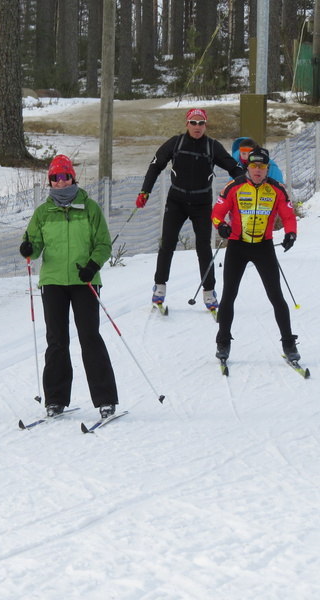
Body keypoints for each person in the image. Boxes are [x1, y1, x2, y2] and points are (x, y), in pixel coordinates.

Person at [19, 155, 119, 418]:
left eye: (64, 176)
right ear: (50, 181)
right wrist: (28, 248)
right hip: (53, 282)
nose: (60, 182)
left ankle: (106, 399)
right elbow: (33, 245)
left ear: (73, 178)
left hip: (84, 281)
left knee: (90, 338)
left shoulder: (90, 208)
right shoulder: (43, 212)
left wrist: (92, 266)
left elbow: (104, 244)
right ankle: (55, 399)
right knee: (56, 341)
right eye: (55, 178)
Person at [135, 108, 245, 311]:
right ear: (187, 124)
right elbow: (155, 165)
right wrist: (145, 191)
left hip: (202, 204)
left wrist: (247, 183)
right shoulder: (176, 143)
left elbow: (233, 167)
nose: (197, 127)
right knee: (167, 244)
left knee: (204, 247)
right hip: (176, 201)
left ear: (206, 125)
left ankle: (209, 293)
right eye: (193, 123)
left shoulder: (212, 146)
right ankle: (159, 288)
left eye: (201, 123)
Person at [211, 146, 300, 362]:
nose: (257, 170)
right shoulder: (234, 187)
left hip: (263, 247)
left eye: (261, 166)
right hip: (237, 246)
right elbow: (216, 213)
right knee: (229, 295)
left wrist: (291, 233)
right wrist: (221, 226)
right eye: (253, 165)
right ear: (247, 167)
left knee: (276, 296)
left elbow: (288, 216)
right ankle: (223, 342)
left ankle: (288, 344)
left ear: (267, 168)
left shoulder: (276, 189)